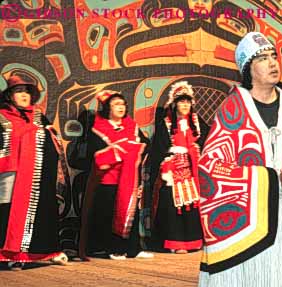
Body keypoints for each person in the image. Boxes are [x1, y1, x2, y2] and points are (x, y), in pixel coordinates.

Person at [197, 32, 282, 287]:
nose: (272, 63)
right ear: (248, 69)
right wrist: (265, 178)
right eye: (262, 58)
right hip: (249, 229)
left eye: (274, 56)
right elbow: (211, 167)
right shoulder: (231, 111)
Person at [0, 75, 69, 270]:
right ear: (10, 96)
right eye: (19, 91)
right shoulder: (2, 116)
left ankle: (32, 252)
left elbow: (52, 143)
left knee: (38, 213)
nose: (24, 95)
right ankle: (8, 253)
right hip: (9, 172)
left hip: (35, 175)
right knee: (7, 212)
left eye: (27, 92)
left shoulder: (39, 117)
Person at [78, 90, 154, 260]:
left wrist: (130, 148)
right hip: (109, 179)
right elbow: (96, 155)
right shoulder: (98, 129)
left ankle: (133, 248)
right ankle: (111, 249)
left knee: (130, 212)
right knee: (110, 214)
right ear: (107, 108)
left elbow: (145, 144)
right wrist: (122, 150)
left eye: (122, 104)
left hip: (130, 177)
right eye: (116, 104)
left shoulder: (131, 125)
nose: (120, 107)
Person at [149, 81, 209, 254]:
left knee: (192, 204)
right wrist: (169, 161)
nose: (185, 105)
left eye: (188, 102)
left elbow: (208, 138)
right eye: (182, 102)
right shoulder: (165, 124)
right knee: (173, 204)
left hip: (191, 170)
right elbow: (159, 148)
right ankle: (175, 243)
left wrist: (195, 151)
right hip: (172, 170)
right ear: (174, 104)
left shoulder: (196, 122)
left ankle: (193, 241)